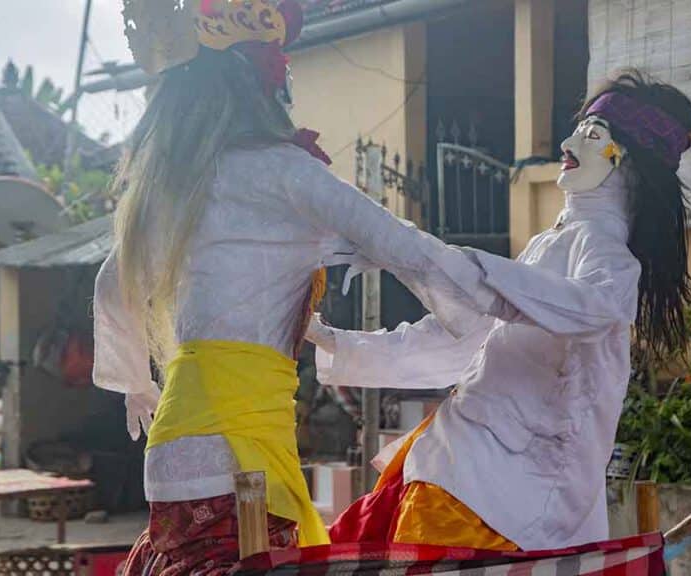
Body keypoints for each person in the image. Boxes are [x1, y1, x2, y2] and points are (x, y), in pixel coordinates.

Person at [93, 1, 500, 573]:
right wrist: (503, 301)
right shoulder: (282, 171)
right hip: (239, 454)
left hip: (175, 445)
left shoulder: (177, 184)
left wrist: (136, 382)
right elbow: (407, 247)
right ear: (268, 84)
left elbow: (112, 287)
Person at [309, 69, 691, 552]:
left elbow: (590, 308)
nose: (569, 141)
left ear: (629, 164)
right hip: (457, 466)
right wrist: (337, 342)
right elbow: (466, 340)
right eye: (578, 128)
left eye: (591, 134)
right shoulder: (548, 245)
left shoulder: (608, 259)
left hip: (510, 497)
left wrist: (435, 261)